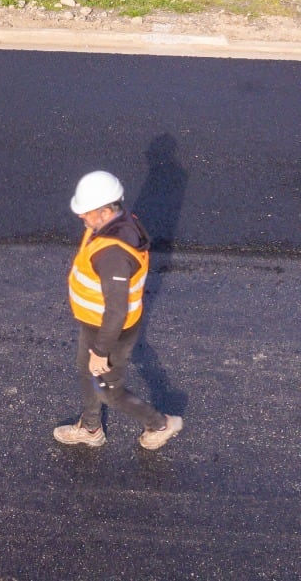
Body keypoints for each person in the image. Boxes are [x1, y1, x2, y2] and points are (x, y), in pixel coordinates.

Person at [53, 170, 183, 450]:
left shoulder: (113, 254)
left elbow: (116, 311)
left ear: (103, 211)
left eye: (85, 212)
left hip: (111, 331)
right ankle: (90, 429)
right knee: (86, 372)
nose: (81, 217)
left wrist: (101, 352)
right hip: (94, 322)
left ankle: (160, 424)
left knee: (109, 390)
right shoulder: (117, 222)